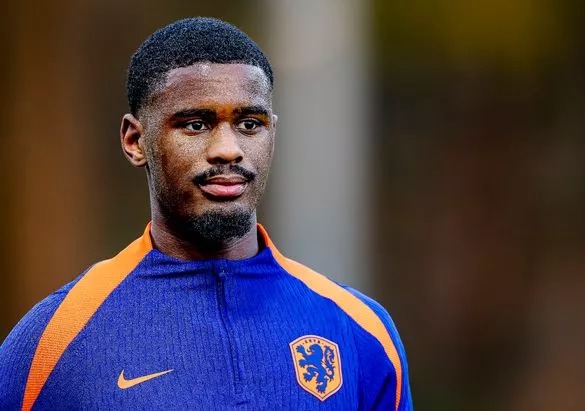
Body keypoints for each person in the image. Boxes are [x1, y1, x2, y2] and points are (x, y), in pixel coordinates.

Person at [0, 17, 412, 410]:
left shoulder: (359, 331)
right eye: (196, 125)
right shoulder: (54, 341)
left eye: (250, 124)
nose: (228, 148)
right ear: (134, 141)